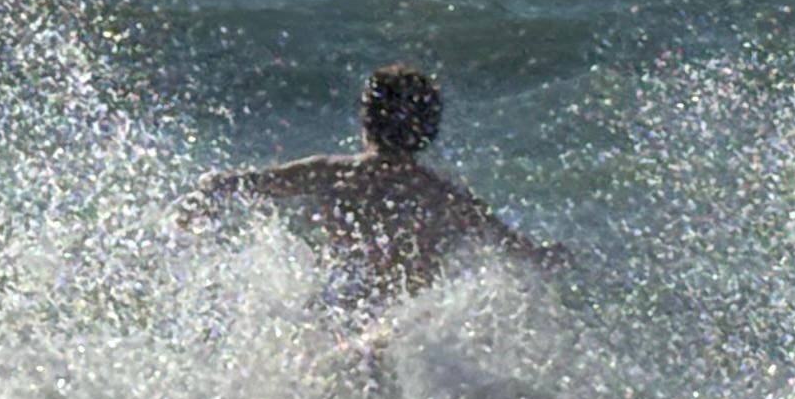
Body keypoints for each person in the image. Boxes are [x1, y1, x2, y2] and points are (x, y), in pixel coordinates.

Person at [191, 64, 566, 312]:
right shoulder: (445, 196)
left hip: (341, 310)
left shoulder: (328, 172)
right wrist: (554, 256)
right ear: (429, 130)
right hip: (405, 327)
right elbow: (515, 249)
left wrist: (206, 195)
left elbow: (242, 184)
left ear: (366, 120)